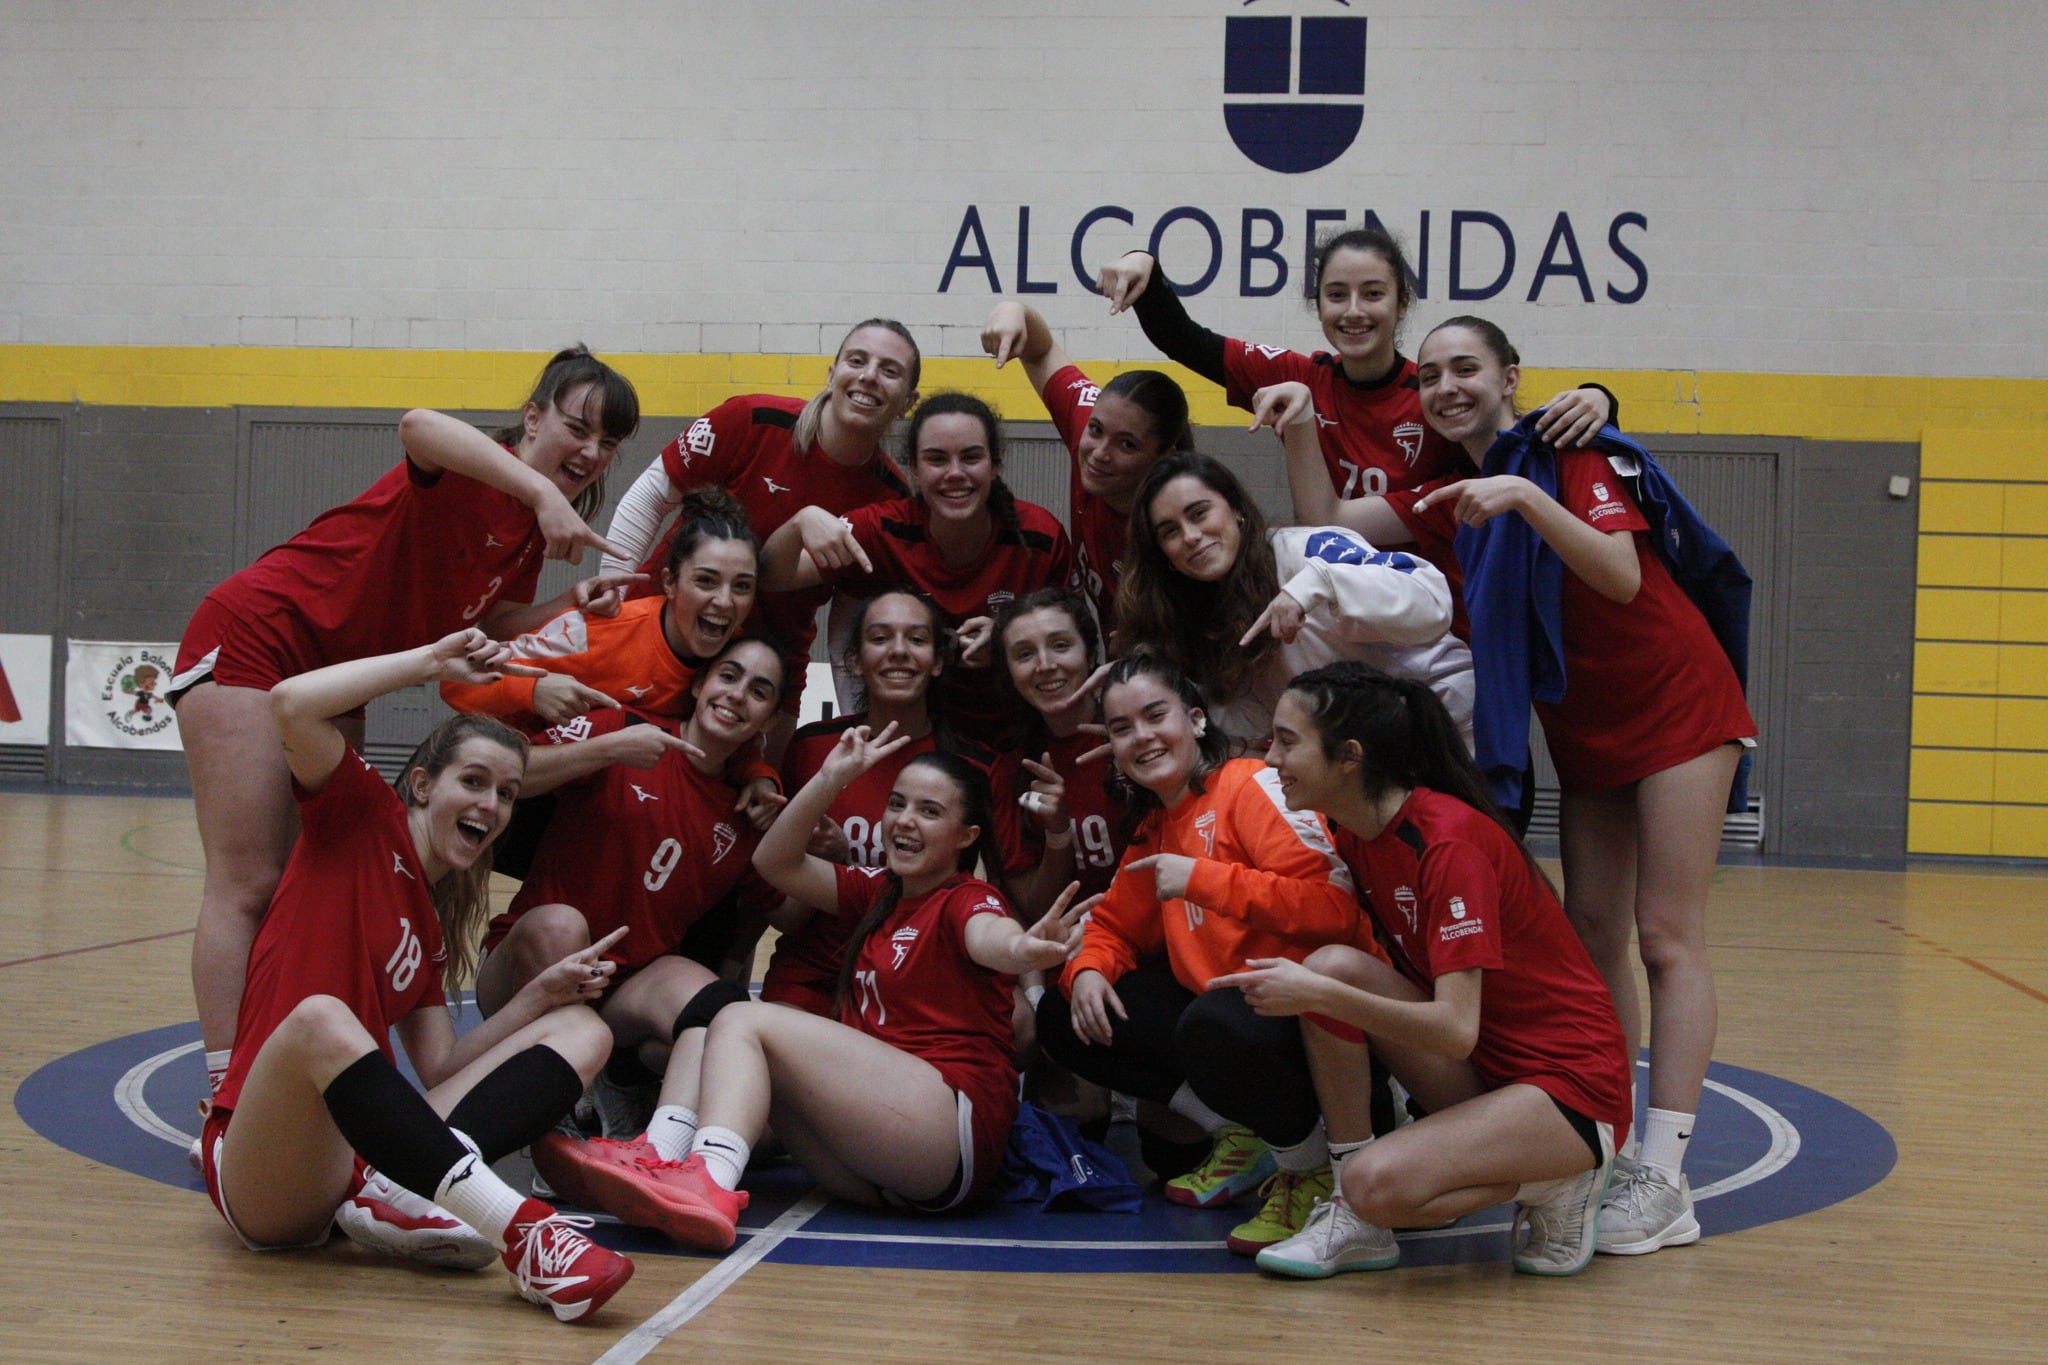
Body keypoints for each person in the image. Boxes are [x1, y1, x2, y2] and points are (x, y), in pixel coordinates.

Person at [171, 346, 640, 1089]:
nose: (591, 451)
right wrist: (541, 493)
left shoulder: (522, 529)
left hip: (341, 679)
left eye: (608, 442)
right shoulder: (479, 469)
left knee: (311, 879)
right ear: (531, 417)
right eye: (578, 427)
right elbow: (417, 424)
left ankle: (283, 1070)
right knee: (249, 881)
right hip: (263, 635)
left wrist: (569, 604)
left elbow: (496, 615)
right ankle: (227, 1092)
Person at [1406, 316, 1755, 1254]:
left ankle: (1667, 1174)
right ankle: (1613, 1139)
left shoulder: (1566, 453)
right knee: (1593, 929)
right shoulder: (1460, 497)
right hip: (1588, 725)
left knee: (1666, 934)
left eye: (1466, 367)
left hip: (1677, 701)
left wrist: (1524, 492)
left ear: (1510, 376)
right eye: (1431, 373)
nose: (1447, 385)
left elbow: (1618, 576)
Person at [200, 628, 635, 1323]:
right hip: (261, 1169)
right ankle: (521, 1230)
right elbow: (289, 705)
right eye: (474, 781)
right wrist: (426, 661)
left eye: (507, 794)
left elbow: (441, 1068)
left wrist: (538, 997)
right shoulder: (360, 818)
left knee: (584, 1029)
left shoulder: (427, 930)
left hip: (343, 1165)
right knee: (321, 1018)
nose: (491, 805)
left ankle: (403, 1188)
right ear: (424, 784)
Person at [537, 732, 1087, 1251]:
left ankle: (703, 1177)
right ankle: (656, 1155)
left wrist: (1025, 952)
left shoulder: (968, 898)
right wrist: (830, 778)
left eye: (929, 811)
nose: (904, 820)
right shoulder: (879, 893)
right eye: (897, 804)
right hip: (878, 1160)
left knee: (743, 1017)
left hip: (950, 1132)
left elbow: (993, 938)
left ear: (967, 837)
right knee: (708, 1023)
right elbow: (772, 862)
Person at [1220, 661, 1631, 1278]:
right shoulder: (1358, 834)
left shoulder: (1448, 844)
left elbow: (1453, 1029)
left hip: (1571, 1091)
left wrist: (1318, 995)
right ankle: (1351, 1210)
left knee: (1375, 1179)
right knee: (1333, 966)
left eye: (1286, 740)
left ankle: (1561, 1179)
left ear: (1349, 757)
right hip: (1491, 1073)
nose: (1270, 757)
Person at [1033, 654, 1378, 1257]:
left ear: (1195, 719)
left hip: (1320, 1020)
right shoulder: (1157, 822)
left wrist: (1204, 879)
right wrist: (1088, 969)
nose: (1141, 737)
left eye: (1155, 715)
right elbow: (1113, 925)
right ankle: (1248, 1135)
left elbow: (1336, 910)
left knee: (1215, 1021)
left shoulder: (1252, 783)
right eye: (1121, 728)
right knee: (1065, 1017)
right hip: (1232, 1023)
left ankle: (1309, 1169)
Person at [471, 636, 789, 1147]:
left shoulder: (746, 814)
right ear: (701, 683)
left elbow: (787, 912)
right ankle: (553, 1107)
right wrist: (607, 749)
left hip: (622, 994)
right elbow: (504, 773)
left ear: (769, 721)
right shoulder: (626, 730)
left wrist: (821, 838)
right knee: (561, 926)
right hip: (524, 977)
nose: (736, 695)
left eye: (758, 691)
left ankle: (658, 1146)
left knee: (715, 1003)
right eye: (728, 676)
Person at [1095, 226, 1614, 500]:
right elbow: (1184, 339)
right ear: (1318, 305)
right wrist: (1144, 262)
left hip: (1435, 621)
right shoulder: (1299, 378)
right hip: (1339, 606)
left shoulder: (1437, 395)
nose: (1354, 312)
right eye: (1336, 295)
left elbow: (1519, 435)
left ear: (1401, 304)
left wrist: (1600, 397)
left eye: (1373, 294)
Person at [602, 320, 921, 755]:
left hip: (766, 676)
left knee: (754, 796)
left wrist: (854, 719)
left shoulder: (893, 498)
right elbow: (652, 494)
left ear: (908, 402)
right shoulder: (752, 419)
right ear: (832, 373)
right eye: (857, 360)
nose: (868, 376)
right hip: (663, 636)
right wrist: (613, 604)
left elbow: (850, 620)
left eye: (889, 370)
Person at [760, 391, 1076, 750]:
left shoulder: (1039, 537)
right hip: (913, 740)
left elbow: (1071, 644)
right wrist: (799, 523)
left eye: (971, 457)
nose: (955, 473)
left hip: (1019, 738)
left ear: (995, 464)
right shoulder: (882, 529)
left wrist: (1011, 638)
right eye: (937, 459)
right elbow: (775, 575)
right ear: (914, 469)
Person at [1118, 448, 1469, 750]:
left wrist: (1319, 584)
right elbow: (1244, 725)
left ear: (1236, 509)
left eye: (1199, 514)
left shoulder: (1306, 551)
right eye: (1170, 531)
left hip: (1456, 728)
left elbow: (1431, 604)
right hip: (1369, 761)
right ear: (1162, 554)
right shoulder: (1203, 618)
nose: (1191, 536)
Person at [759, 590, 958, 1016]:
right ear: (853, 660)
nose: (899, 652)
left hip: (917, 976)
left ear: (938, 661)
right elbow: (783, 914)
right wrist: (826, 861)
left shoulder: (966, 764)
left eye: (918, 639)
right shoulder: (813, 749)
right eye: (881, 637)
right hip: (813, 974)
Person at [440, 486, 759, 730]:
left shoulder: (739, 655)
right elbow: (456, 682)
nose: (724, 601)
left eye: (742, 586)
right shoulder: (601, 630)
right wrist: (533, 690)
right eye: (706, 581)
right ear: (670, 583)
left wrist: (758, 775)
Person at [981, 300, 1193, 632]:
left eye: (1127, 444)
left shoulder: (1180, 529)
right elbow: (1040, 350)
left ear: (1163, 457)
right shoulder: (1089, 423)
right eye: (1096, 430)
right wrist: (1012, 310)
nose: (1098, 453)